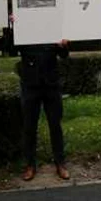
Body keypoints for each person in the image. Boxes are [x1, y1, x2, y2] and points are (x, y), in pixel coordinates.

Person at [12, 15, 71, 181]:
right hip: (30, 85)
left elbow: (64, 54)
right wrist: (14, 25)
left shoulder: (53, 25)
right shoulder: (23, 27)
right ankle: (30, 165)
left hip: (51, 85)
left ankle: (60, 163)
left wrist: (64, 45)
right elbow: (10, 48)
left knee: (55, 126)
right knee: (29, 127)